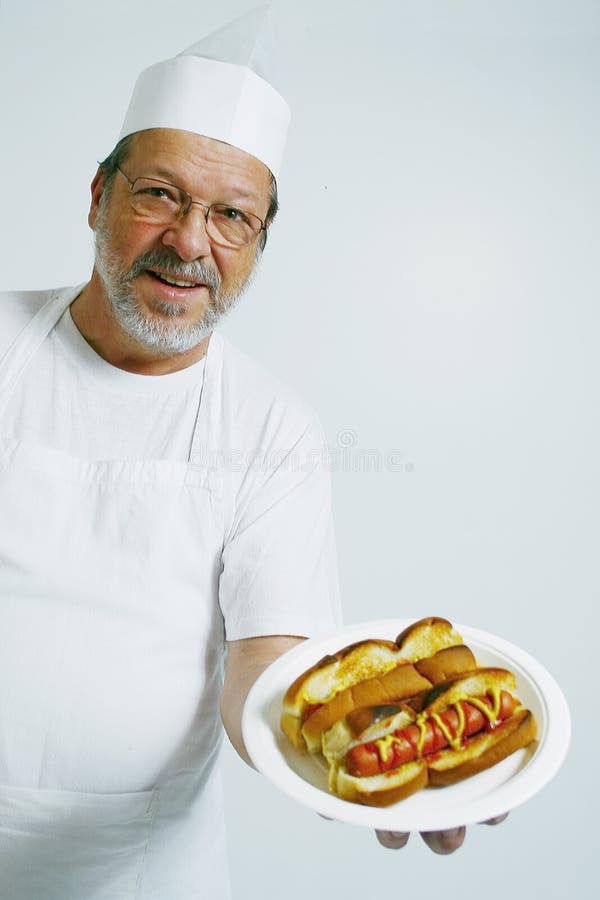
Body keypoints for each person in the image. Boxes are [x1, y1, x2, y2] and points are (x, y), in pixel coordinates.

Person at [0, 8, 503, 898]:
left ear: (260, 246)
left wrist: (335, 747)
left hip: (139, 867)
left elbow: (265, 659)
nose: (191, 243)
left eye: (231, 216)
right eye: (160, 194)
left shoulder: (275, 431)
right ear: (96, 195)